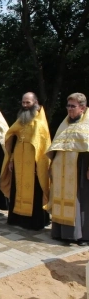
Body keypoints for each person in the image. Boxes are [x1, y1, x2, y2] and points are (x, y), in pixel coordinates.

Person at [0, 92, 51, 230]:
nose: (25, 105)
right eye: (23, 102)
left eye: (28, 102)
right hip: (18, 162)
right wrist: (10, 159)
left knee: (34, 191)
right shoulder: (21, 120)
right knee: (18, 190)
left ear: (35, 102)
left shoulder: (40, 122)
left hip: (33, 164)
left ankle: (34, 221)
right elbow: (12, 138)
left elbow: (42, 147)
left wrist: (38, 164)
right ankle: (17, 218)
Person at [47, 92, 89, 246]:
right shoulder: (64, 124)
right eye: (68, 106)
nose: (69, 109)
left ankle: (82, 236)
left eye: (73, 106)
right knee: (60, 199)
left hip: (81, 168)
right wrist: (52, 165)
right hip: (61, 170)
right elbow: (57, 147)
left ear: (82, 108)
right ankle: (61, 232)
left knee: (81, 201)